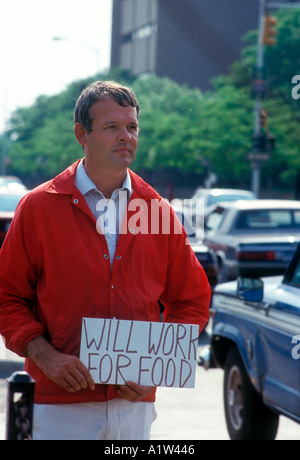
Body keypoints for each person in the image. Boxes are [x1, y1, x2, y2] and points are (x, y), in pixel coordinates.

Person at [0, 81, 211, 440]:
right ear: (81, 133)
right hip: (58, 404)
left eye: (132, 127)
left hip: (134, 407)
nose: (125, 136)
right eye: (112, 127)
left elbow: (191, 300)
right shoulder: (38, 207)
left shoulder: (158, 211)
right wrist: (45, 354)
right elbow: (7, 296)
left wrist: (157, 368)